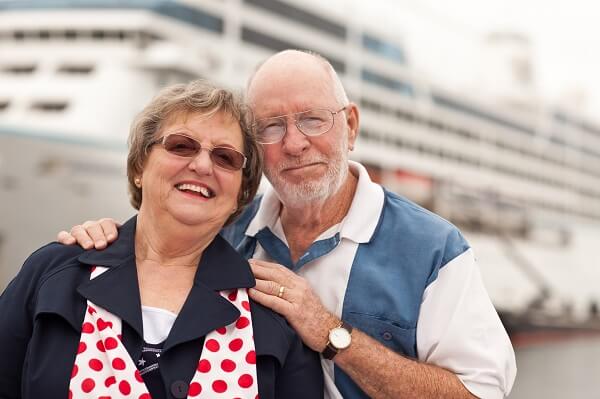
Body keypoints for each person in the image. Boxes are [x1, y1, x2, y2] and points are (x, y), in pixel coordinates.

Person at [57, 50, 517, 398]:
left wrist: (334, 337)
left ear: (351, 126)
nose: (295, 143)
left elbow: (480, 393)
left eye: (313, 120)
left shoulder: (432, 249)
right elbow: (158, 249)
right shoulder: (227, 233)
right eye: (271, 127)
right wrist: (111, 239)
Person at [0, 80, 324, 399]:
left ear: (241, 191)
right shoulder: (52, 275)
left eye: (225, 158)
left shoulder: (272, 316)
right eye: (181, 145)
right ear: (140, 165)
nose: (201, 165)